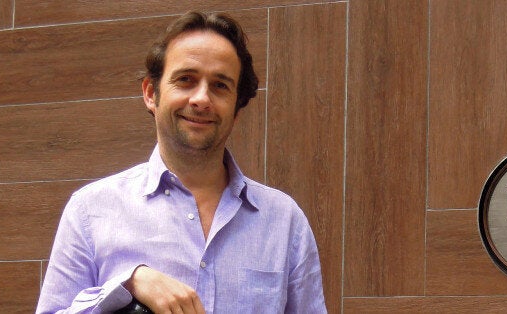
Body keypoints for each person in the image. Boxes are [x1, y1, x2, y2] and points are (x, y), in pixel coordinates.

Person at [36, 11, 326, 314]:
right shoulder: (90, 210)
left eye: (220, 86)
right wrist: (127, 286)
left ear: (237, 109)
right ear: (151, 93)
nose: (201, 99)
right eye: (186, 80)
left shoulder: (284, 221)